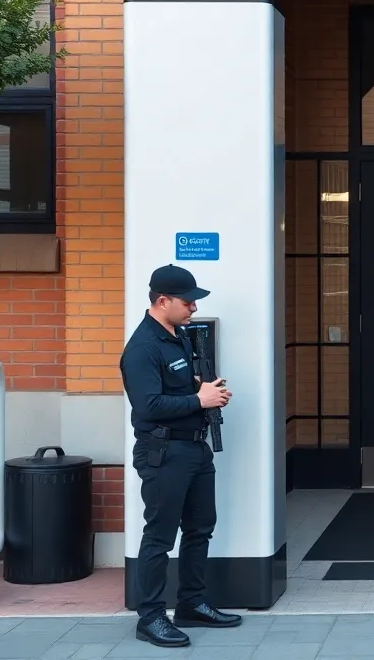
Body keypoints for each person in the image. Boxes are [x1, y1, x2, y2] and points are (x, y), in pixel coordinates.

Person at [121, 264, 241, 647]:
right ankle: (151, 617)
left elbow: (177, 385)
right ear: (162, 301)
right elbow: (148, 404)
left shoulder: (179, 336)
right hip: (164, 451)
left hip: (194, 448)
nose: (194, 307)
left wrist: (205, 390)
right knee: (159, 536)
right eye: (187, 301)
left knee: (200, 527)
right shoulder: (142, 348)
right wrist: (199, 400)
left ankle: (191, 604)